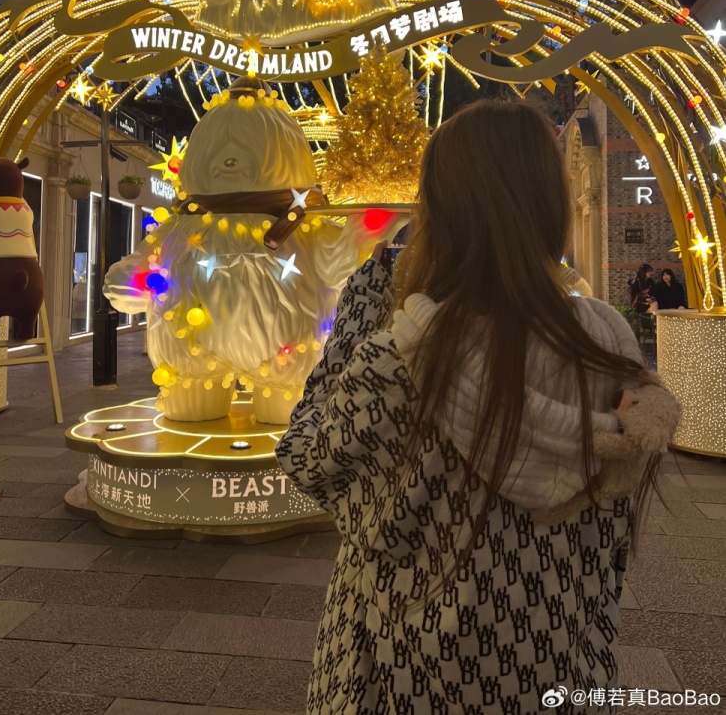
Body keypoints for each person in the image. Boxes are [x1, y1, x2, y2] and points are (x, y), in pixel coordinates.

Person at [276, 100, 680, 715]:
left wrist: (365, 319)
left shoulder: (400, 359)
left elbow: (308, 458)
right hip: (558, 662)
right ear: (551, 206)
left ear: (438, 210)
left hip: (398, 672)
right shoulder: (610, 354)